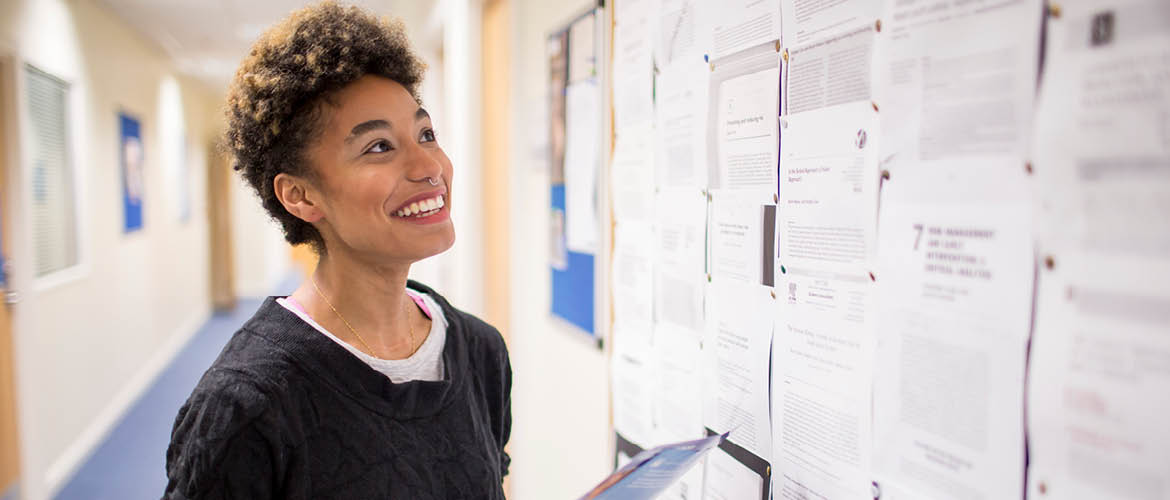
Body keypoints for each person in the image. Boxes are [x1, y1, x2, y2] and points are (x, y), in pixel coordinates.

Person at [163, 2, 511, 498]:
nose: (428, 164)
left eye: (426, 134)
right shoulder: (247, 405)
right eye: (378, 147)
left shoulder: (479, 350)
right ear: (300, 196)